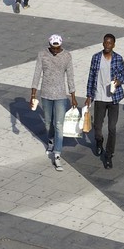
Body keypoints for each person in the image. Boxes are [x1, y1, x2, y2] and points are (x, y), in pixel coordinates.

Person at [29, 33, 78, 171]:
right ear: (50, 45)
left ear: (61, 45)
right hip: (46, 94)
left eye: (57, 48)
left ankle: (57, 154)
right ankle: (50, 141)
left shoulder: (67, 56)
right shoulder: (42, 54)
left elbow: (70, 76)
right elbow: (37, 73)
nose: (55, 51)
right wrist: (33, 93)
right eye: (53, 48)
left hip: (61, 96)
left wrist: (73, 95)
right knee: (48, 122)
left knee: (59, 125)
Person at [85, 34, 124, 169]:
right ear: (103, 43)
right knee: (98, 126)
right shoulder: (96, 57)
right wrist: (88, 95)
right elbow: (91, 76)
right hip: (99, 97)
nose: (107, 45)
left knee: (112, 128)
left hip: (114, 98)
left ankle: (109, 155)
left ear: (114, 45)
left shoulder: (118, 58)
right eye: (106, 43)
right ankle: (99, 141)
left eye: (110, 43)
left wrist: (119, 81)